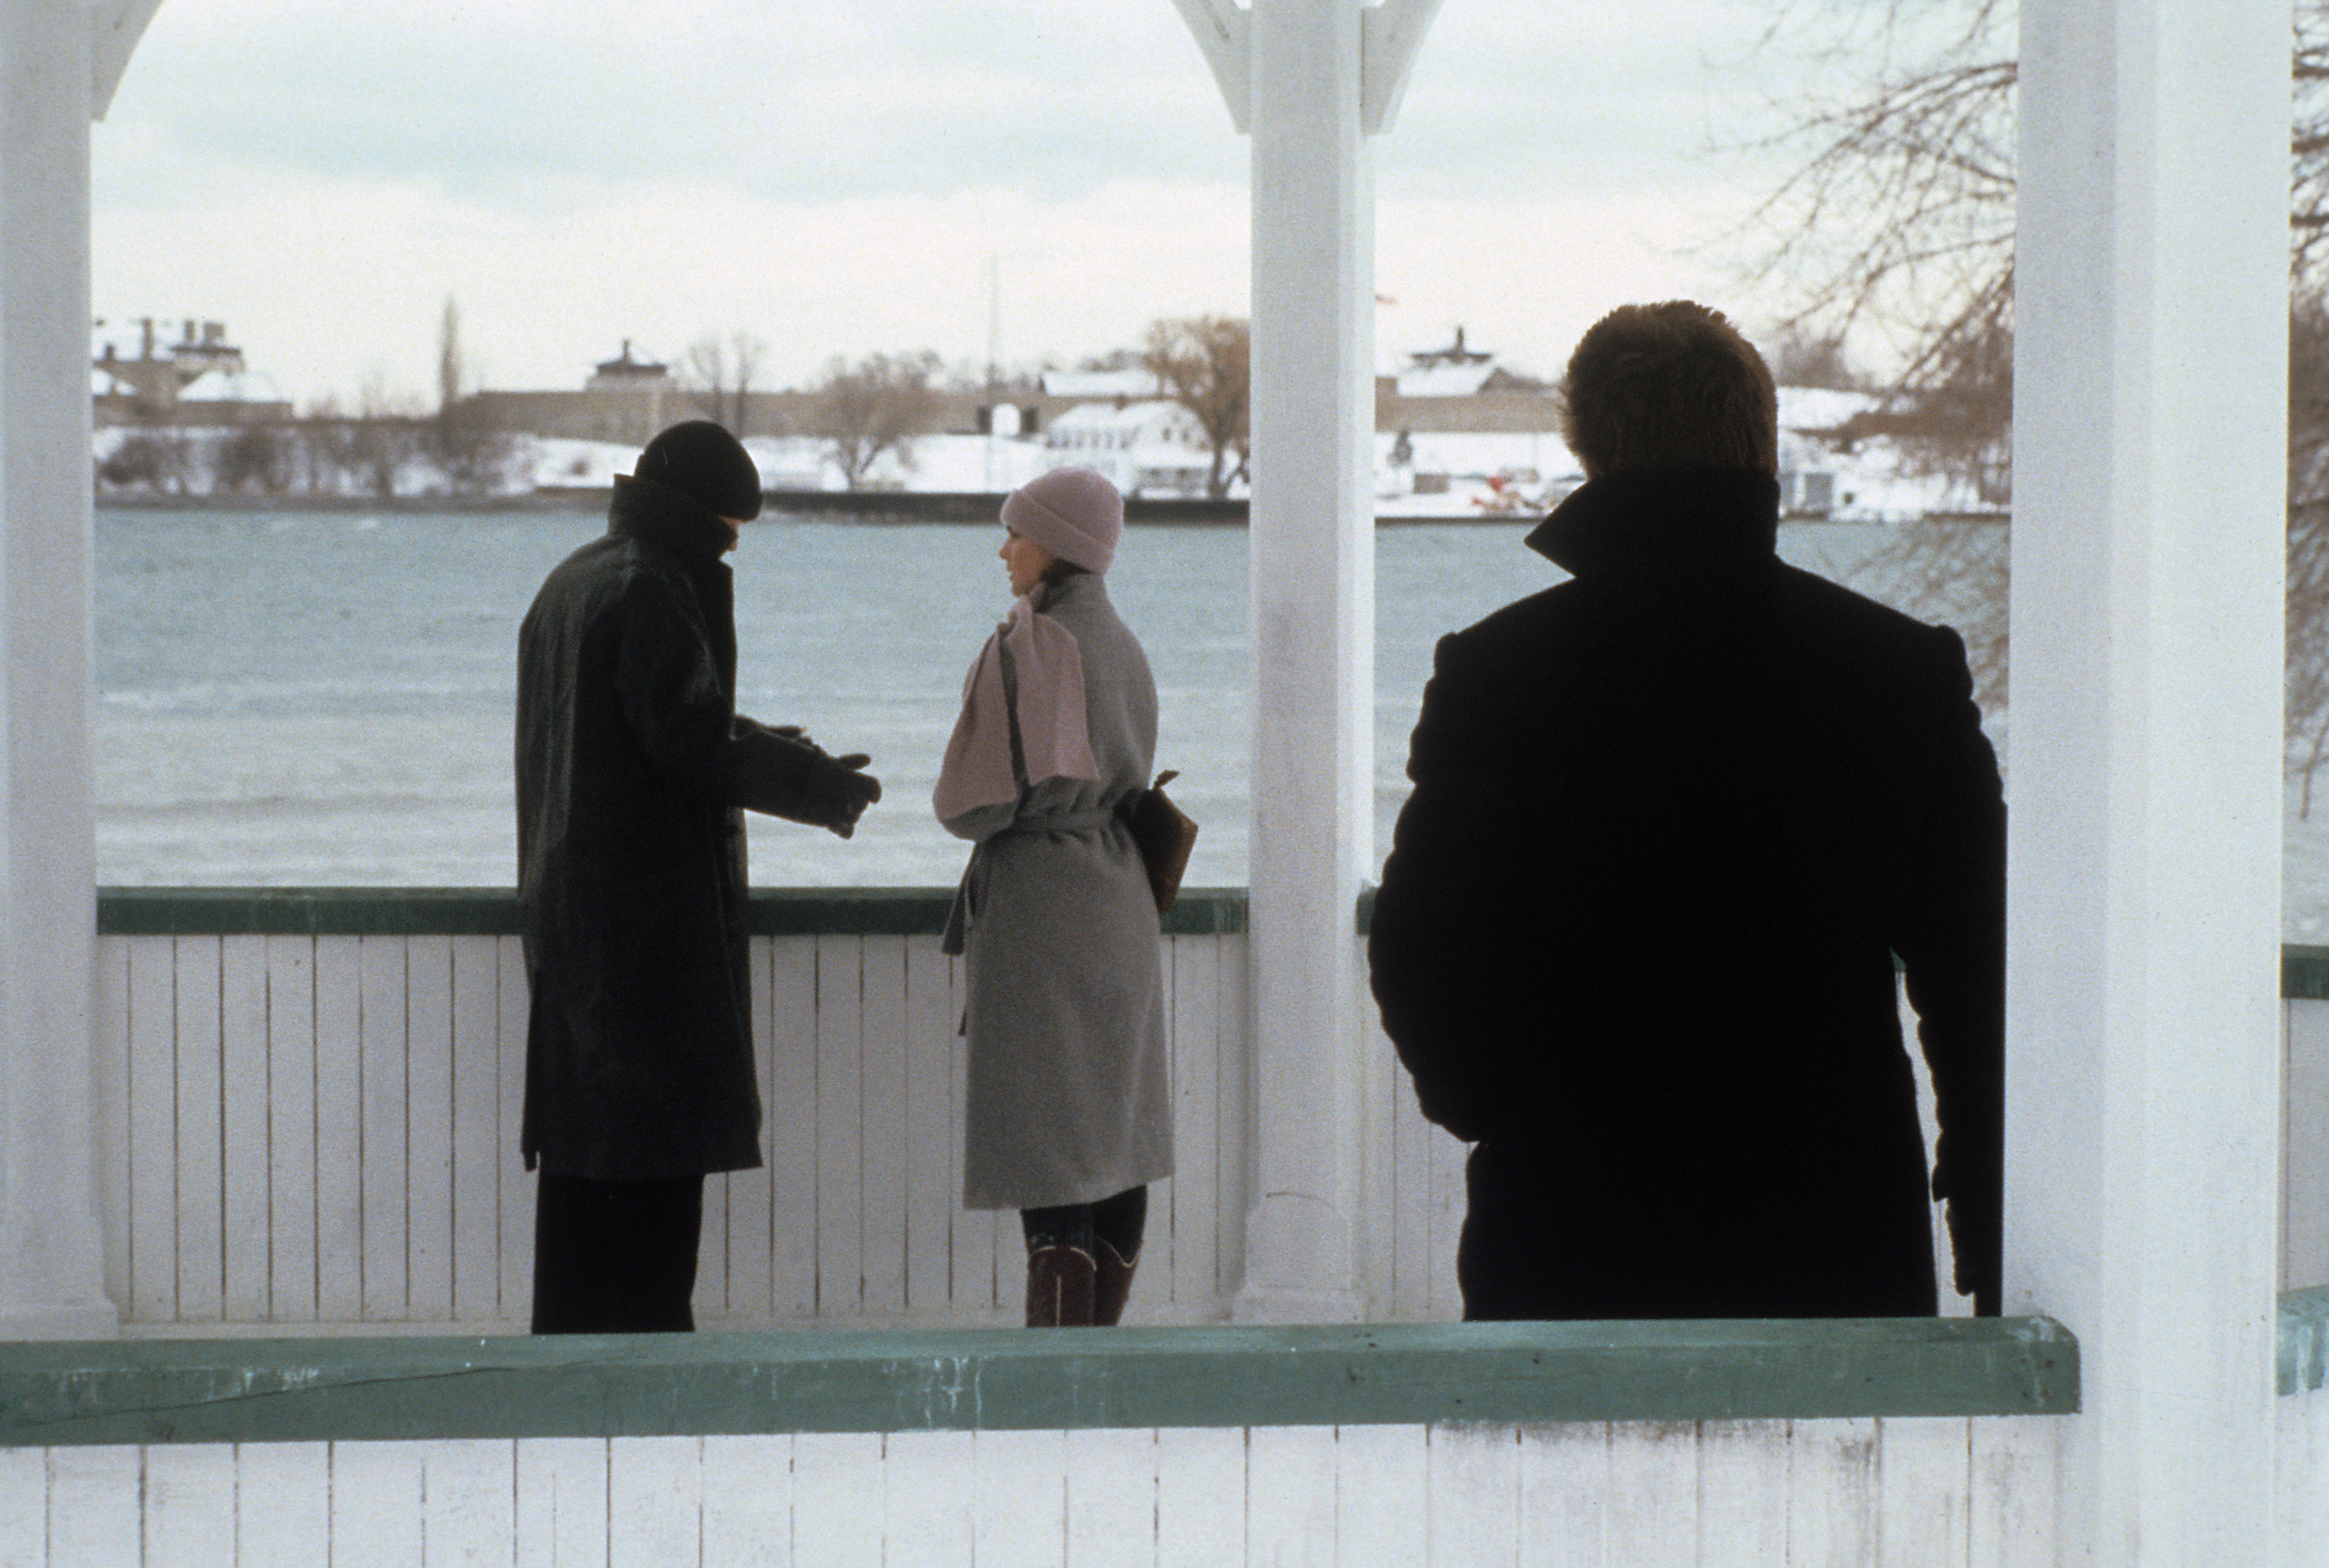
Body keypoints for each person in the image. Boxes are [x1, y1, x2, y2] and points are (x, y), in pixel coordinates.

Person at [1369, 301, 2004, 1321]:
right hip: (1833, 1230)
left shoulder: (1500, 673)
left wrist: (1500, 1107)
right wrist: (1983, 1198)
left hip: (1571, 1225)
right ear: (1762, 446)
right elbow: (1980, 970)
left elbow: (1424, 941)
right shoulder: (1898, 673)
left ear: (1586, 446)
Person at [515, 419, 882, 1334]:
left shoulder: (573, 580)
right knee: (653, 1204)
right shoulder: (652, 586)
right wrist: (820, 784)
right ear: (704, 517)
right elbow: (687, 743)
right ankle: (648, 1411)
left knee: (581, 1196)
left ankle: (564, 1408)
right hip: (648, 936)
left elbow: (642, 722)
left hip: (573, 924)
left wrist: (766, 744)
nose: (730, 547)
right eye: (728, 530)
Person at [934, 466, 1173, 1327]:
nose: (1004, 550)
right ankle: (1096, 1353)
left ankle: (1057, 1373)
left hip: (1042, 909)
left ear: (1057, 546)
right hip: (1120, 898)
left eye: (1016, 533)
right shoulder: (1126, 646)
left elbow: (969, 804)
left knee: (1051, 1146)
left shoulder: (1026, 647)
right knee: (1114, 1137)